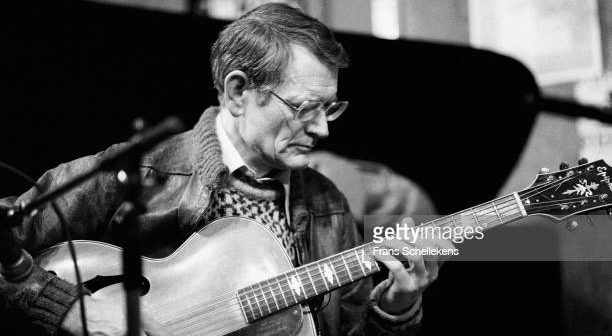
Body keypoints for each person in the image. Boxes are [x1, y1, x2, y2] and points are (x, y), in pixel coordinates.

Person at [0, 4, 453, 335]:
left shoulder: (327, 203)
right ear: (238, 92)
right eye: (305, 108)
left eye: (331, 109)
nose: (321, 130)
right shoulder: (143, 170)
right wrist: (71, 309)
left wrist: (396, 307)